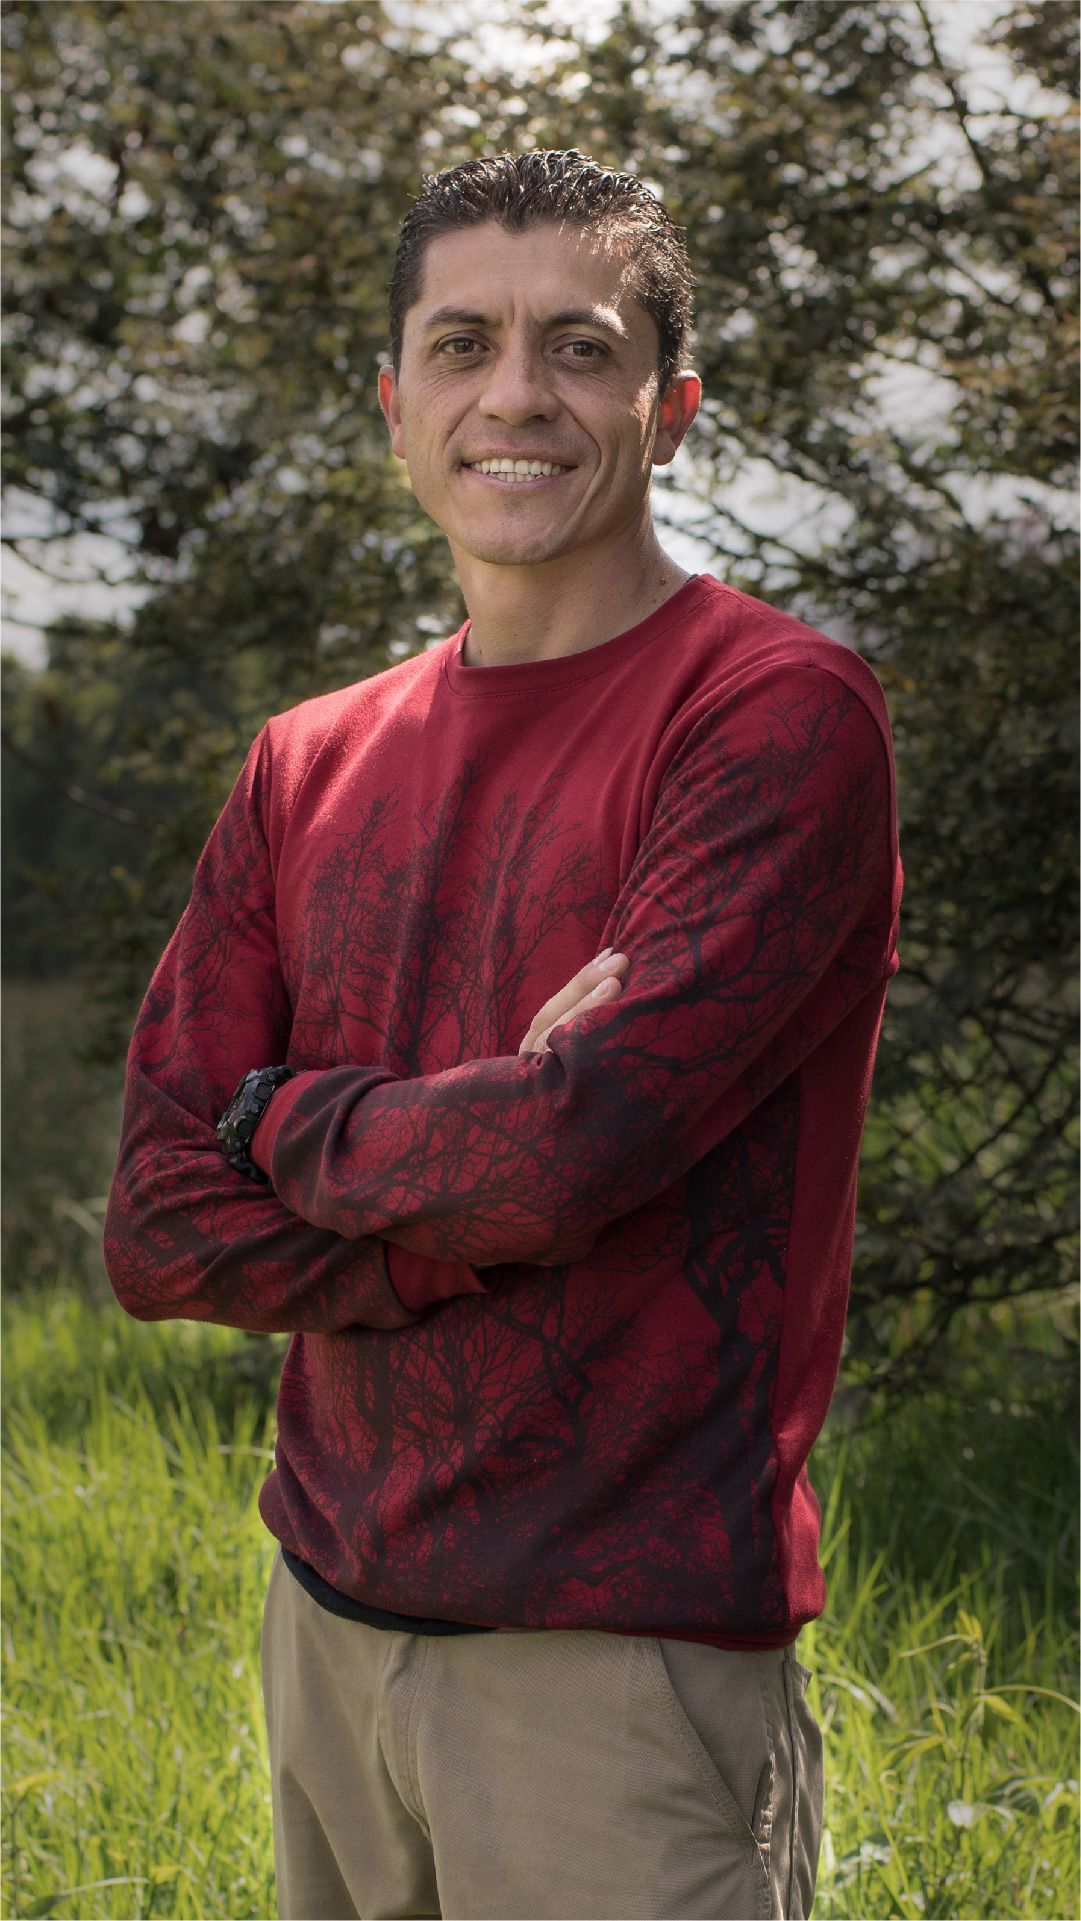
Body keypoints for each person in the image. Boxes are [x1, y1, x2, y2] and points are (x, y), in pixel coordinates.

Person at [104, 148, 902, 1921]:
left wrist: (277, 1116)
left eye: (581, 347)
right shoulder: (306, 760)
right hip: (323, 1627)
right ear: (396, 406)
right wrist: (457, 1172)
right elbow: (156, 1225)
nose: (516, 394)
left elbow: (562, 1157)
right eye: (462, 344)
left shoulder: (770, 717)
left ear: (672, 407)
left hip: (615, 1673)